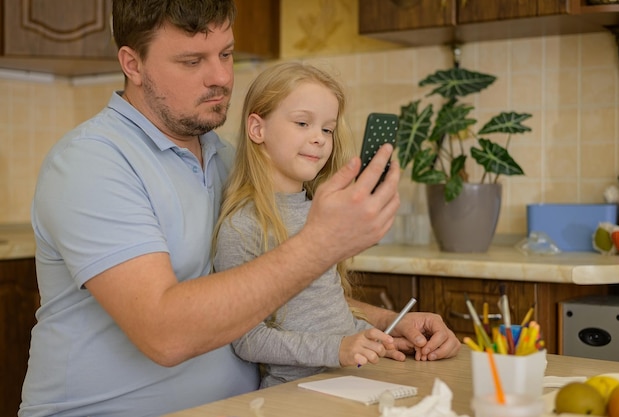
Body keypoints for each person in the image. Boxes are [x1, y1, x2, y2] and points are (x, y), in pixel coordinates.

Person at [20, 1, 460, 416]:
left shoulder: (229, 159)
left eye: (226, 54)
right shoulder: (91, 162)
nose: (220, 77)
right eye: (192, 61)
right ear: (132, 64)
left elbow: (279, 296)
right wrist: (322, 241)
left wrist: (387, 322)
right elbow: (164, 333)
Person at [213, 61, 404, 388]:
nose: (319, 139)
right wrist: (338, 349)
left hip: (349, 380)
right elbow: (247, 340)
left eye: (327, 129)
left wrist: (376, 338)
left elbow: (324, 312)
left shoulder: (321, 212)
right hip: (294, 395)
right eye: (303, 123)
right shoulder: (244, 225)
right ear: (258, 129)